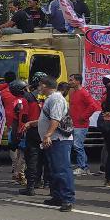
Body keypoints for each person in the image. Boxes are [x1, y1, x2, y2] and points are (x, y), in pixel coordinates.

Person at [38, 80, 75, 212]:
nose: (39, 87)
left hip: (59, 140)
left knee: (62, 169)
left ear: (44, 85)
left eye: (40, 85)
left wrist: (47, 135)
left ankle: (67, 198)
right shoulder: (51, 99)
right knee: (54, 170)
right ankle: (58, 196)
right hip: (52, 140)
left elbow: (55, 119)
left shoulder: (56, 99)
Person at [67, 74, 99, 176]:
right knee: (76, 145)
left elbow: (93, 106)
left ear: (77, 81)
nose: (69, 82)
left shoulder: (84, 93)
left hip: (81, 125)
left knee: (78, 145)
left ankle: (83, 167)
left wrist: (83, 117)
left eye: (71, 80)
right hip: (74, 124)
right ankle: (83, 166)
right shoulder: (74, 92)